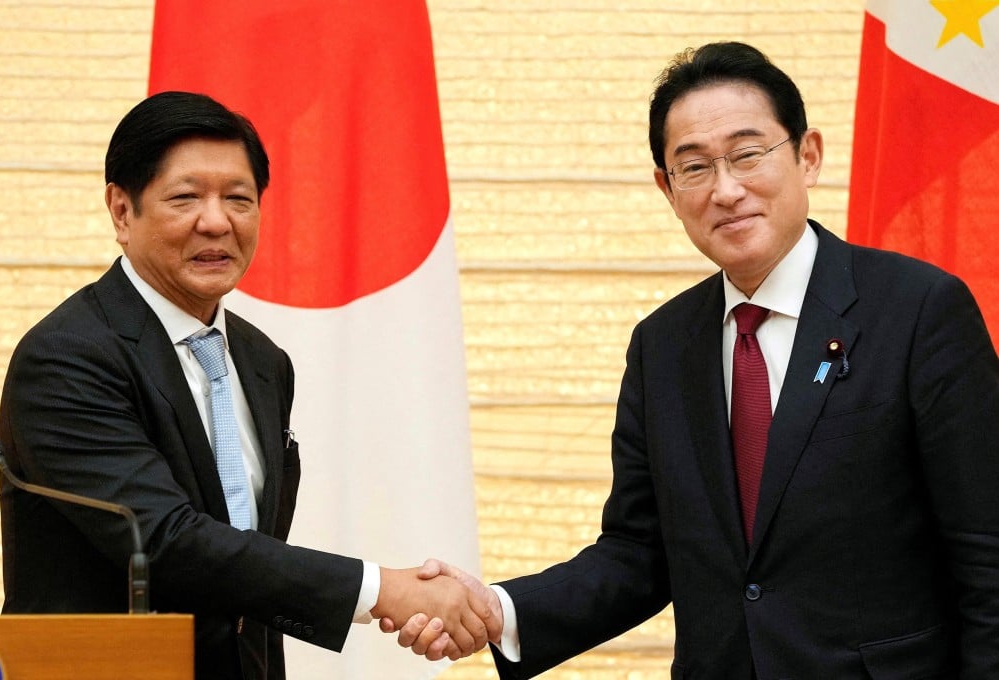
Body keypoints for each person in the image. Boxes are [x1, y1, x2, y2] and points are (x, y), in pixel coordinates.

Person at [387, 41, 999, 678]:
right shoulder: (663, 346)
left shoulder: (920, 310)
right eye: (696, 167)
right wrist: (498, 609)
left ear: (808, 156)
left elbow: (987, 554)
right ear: (667, 188)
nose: (727, 189)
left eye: (748, 153)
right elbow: (638, 552)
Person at [0, 91, 492, 679]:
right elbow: (168, 543)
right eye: (186, 198)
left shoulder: (261, 359)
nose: (217, 221)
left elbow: (250, 559)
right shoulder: (68, 356)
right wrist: (383, 590)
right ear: (122, 211)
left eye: (239, 199)